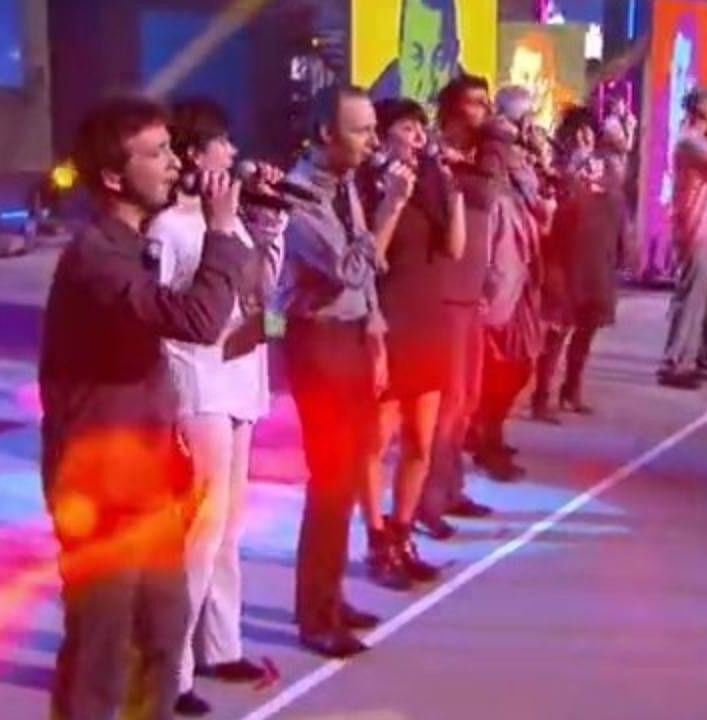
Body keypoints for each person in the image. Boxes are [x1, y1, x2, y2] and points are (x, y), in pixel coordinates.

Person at [39, 97, 248, 720]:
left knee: (163, 634)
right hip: (99, 486)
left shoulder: (134, 247)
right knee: (101, 655)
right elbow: (199, 322)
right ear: (112, 176)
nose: (174, 163)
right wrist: (220, 231)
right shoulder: (96, 257)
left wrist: (245, 227)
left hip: (147, 478)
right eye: (156, 154)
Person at [151, 99, 286, 716]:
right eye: (221, 144)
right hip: (195, 381)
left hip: (240, 375)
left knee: (229, 522)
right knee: (200, 525)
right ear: (192, 156)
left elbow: (261, 291)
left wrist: (270, 227)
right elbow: (162, 312)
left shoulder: (228, 218)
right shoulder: (168, 228)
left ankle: (220, 644)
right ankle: (172, 668)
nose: (232, 154)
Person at [274, 84, 402, 659]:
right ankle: (316, 614)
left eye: (374, 128)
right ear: (327, 133)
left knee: (350, 473)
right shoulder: (298, 194)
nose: (373, 141)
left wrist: (374, 329)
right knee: (329, 479)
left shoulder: (345, 183)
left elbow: (365, 279)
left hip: (350, 337)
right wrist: (391, 209)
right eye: (361, 130)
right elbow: (350, 268)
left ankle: (332, 594)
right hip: (317, 341)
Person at [355, 97, 465, 590]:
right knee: (377, 440)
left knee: (422, 439)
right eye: (407, 128)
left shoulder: (433, 181)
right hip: (386, 317)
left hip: (428, 317)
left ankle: (403, 532)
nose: (418, 137)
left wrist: (451, 188)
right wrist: (394, 201)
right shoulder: (369, 185)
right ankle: (377, 539)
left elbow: (455, 248)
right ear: (382, 135)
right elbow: (371, 259)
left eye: (422, 129)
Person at [416, 74, 498, 539]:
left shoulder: (482, 157)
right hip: (444, 291)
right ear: (452, 108)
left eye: (487, 102)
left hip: (472, 290)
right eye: (475, 103)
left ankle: (451, 487)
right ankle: (426, 501)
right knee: (444, 405)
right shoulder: (434, 158)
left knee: (467, 399)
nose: (484, 111)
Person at [471, 85, 552, 480]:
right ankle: (485, 440)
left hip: (518, 275)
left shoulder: (519, 163)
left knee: (517, 366)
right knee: (502, 369)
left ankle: (488, 434)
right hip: (497, 285)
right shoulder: (497, 155)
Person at [533, 105, 623, 418]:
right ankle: (541, 397)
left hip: (598, 260)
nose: (584, 137)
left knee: (587, 329)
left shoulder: (607, 168)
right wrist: (569, 174)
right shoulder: (556, 170)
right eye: (578, 132)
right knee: (557, 331)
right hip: (564, 259)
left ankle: (571, 390)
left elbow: (617, 211)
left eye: (589, 131)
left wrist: (620, 251)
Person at [658, 88, 707, 390]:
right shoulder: (690, 140)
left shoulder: (704, 140)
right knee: (689, 296)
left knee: (698, 297)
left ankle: (688, 360)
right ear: (699, 108)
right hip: (693, 226)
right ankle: (674, 362)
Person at [370, 0, 465, 106]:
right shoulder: (372, 108)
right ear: (401, 53)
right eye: (415, 57)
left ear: (455, 54)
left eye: (439, 59)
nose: (427, 87)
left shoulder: (474, 107)